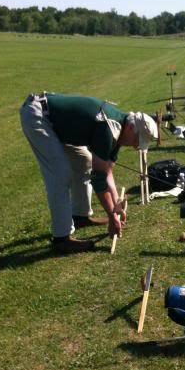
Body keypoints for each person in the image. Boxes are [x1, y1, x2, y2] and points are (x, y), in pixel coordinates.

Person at [20, 92, 158, 253]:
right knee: (60, 174)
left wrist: (116, 207)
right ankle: (61, 239)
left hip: (52, 121)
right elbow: (99, 179)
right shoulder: (108, 129)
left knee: (84, 161)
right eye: (137, 140)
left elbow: (107, 171)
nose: (135, 146)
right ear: (130, 128)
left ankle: (80, 217)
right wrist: (112, 216)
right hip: (39, 117)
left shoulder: (120, 130)